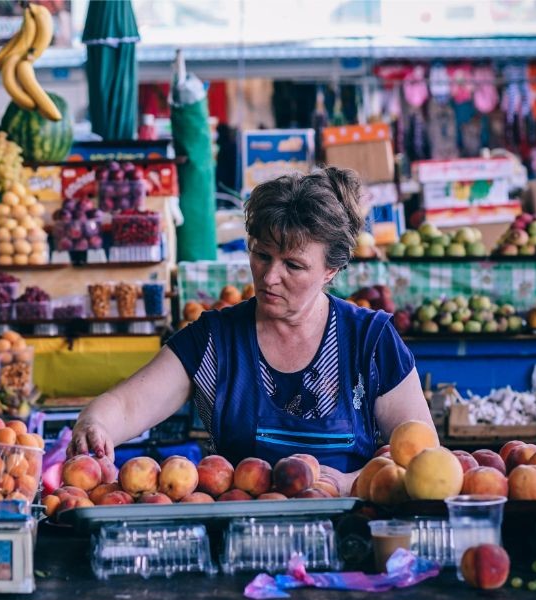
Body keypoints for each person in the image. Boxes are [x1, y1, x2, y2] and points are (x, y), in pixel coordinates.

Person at [69, 168, 434, 491]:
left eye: (293, 265)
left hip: (349, 542)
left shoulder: (370, 342)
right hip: (243, 542)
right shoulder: (215, 341)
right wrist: (95, 424)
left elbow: (423, 459)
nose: (270, 277)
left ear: (331, 271)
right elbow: (129, 404)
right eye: (262, 255)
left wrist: (349, 484)